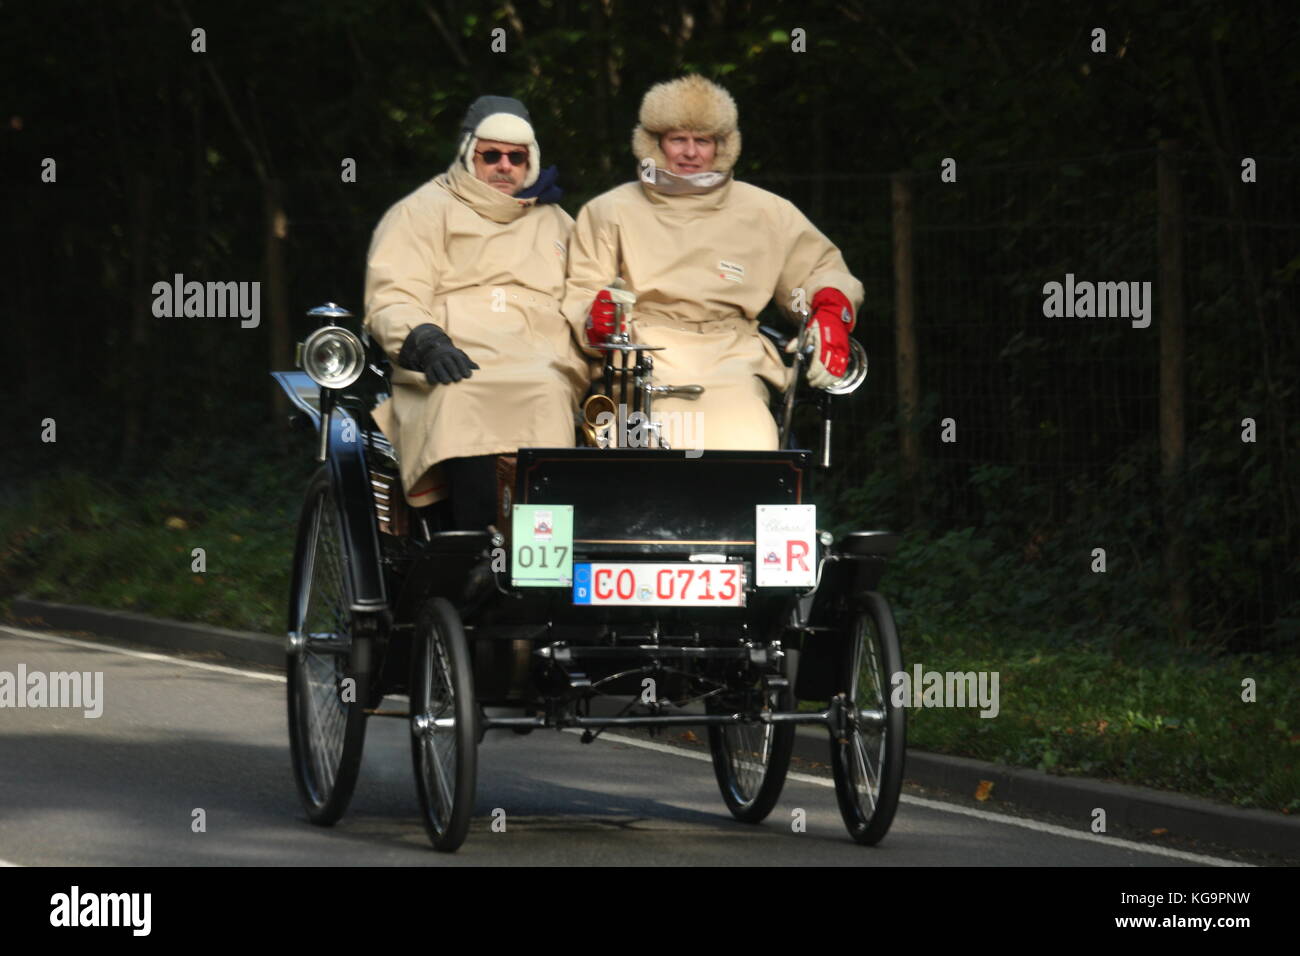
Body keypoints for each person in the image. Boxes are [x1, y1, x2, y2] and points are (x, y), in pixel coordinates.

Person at [561, 75, 864, 451]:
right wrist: (598, 318)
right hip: (642, 357)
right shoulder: (610, 210)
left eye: (702, 141)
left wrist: (831, 309)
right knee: (648, 460)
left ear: (721, 146)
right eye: (678, 140)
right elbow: (583, 290)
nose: (690, 152)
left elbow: (819, 268)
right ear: (655, 142)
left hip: (734, 359)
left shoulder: (764, 212)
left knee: (752, 449)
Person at [364, 95, 585, 529]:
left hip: (543, 361)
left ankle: (541, 551)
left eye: (516, 156)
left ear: (531, 162)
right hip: (451, 356)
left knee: (546, 392)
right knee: (462, 394)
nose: (504, 165)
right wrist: (424, 340)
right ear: (469, 154)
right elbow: (392, 294)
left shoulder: (560, 223)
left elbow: (587, 296)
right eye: (492, 154)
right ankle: (469, 542)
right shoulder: (420, 211)